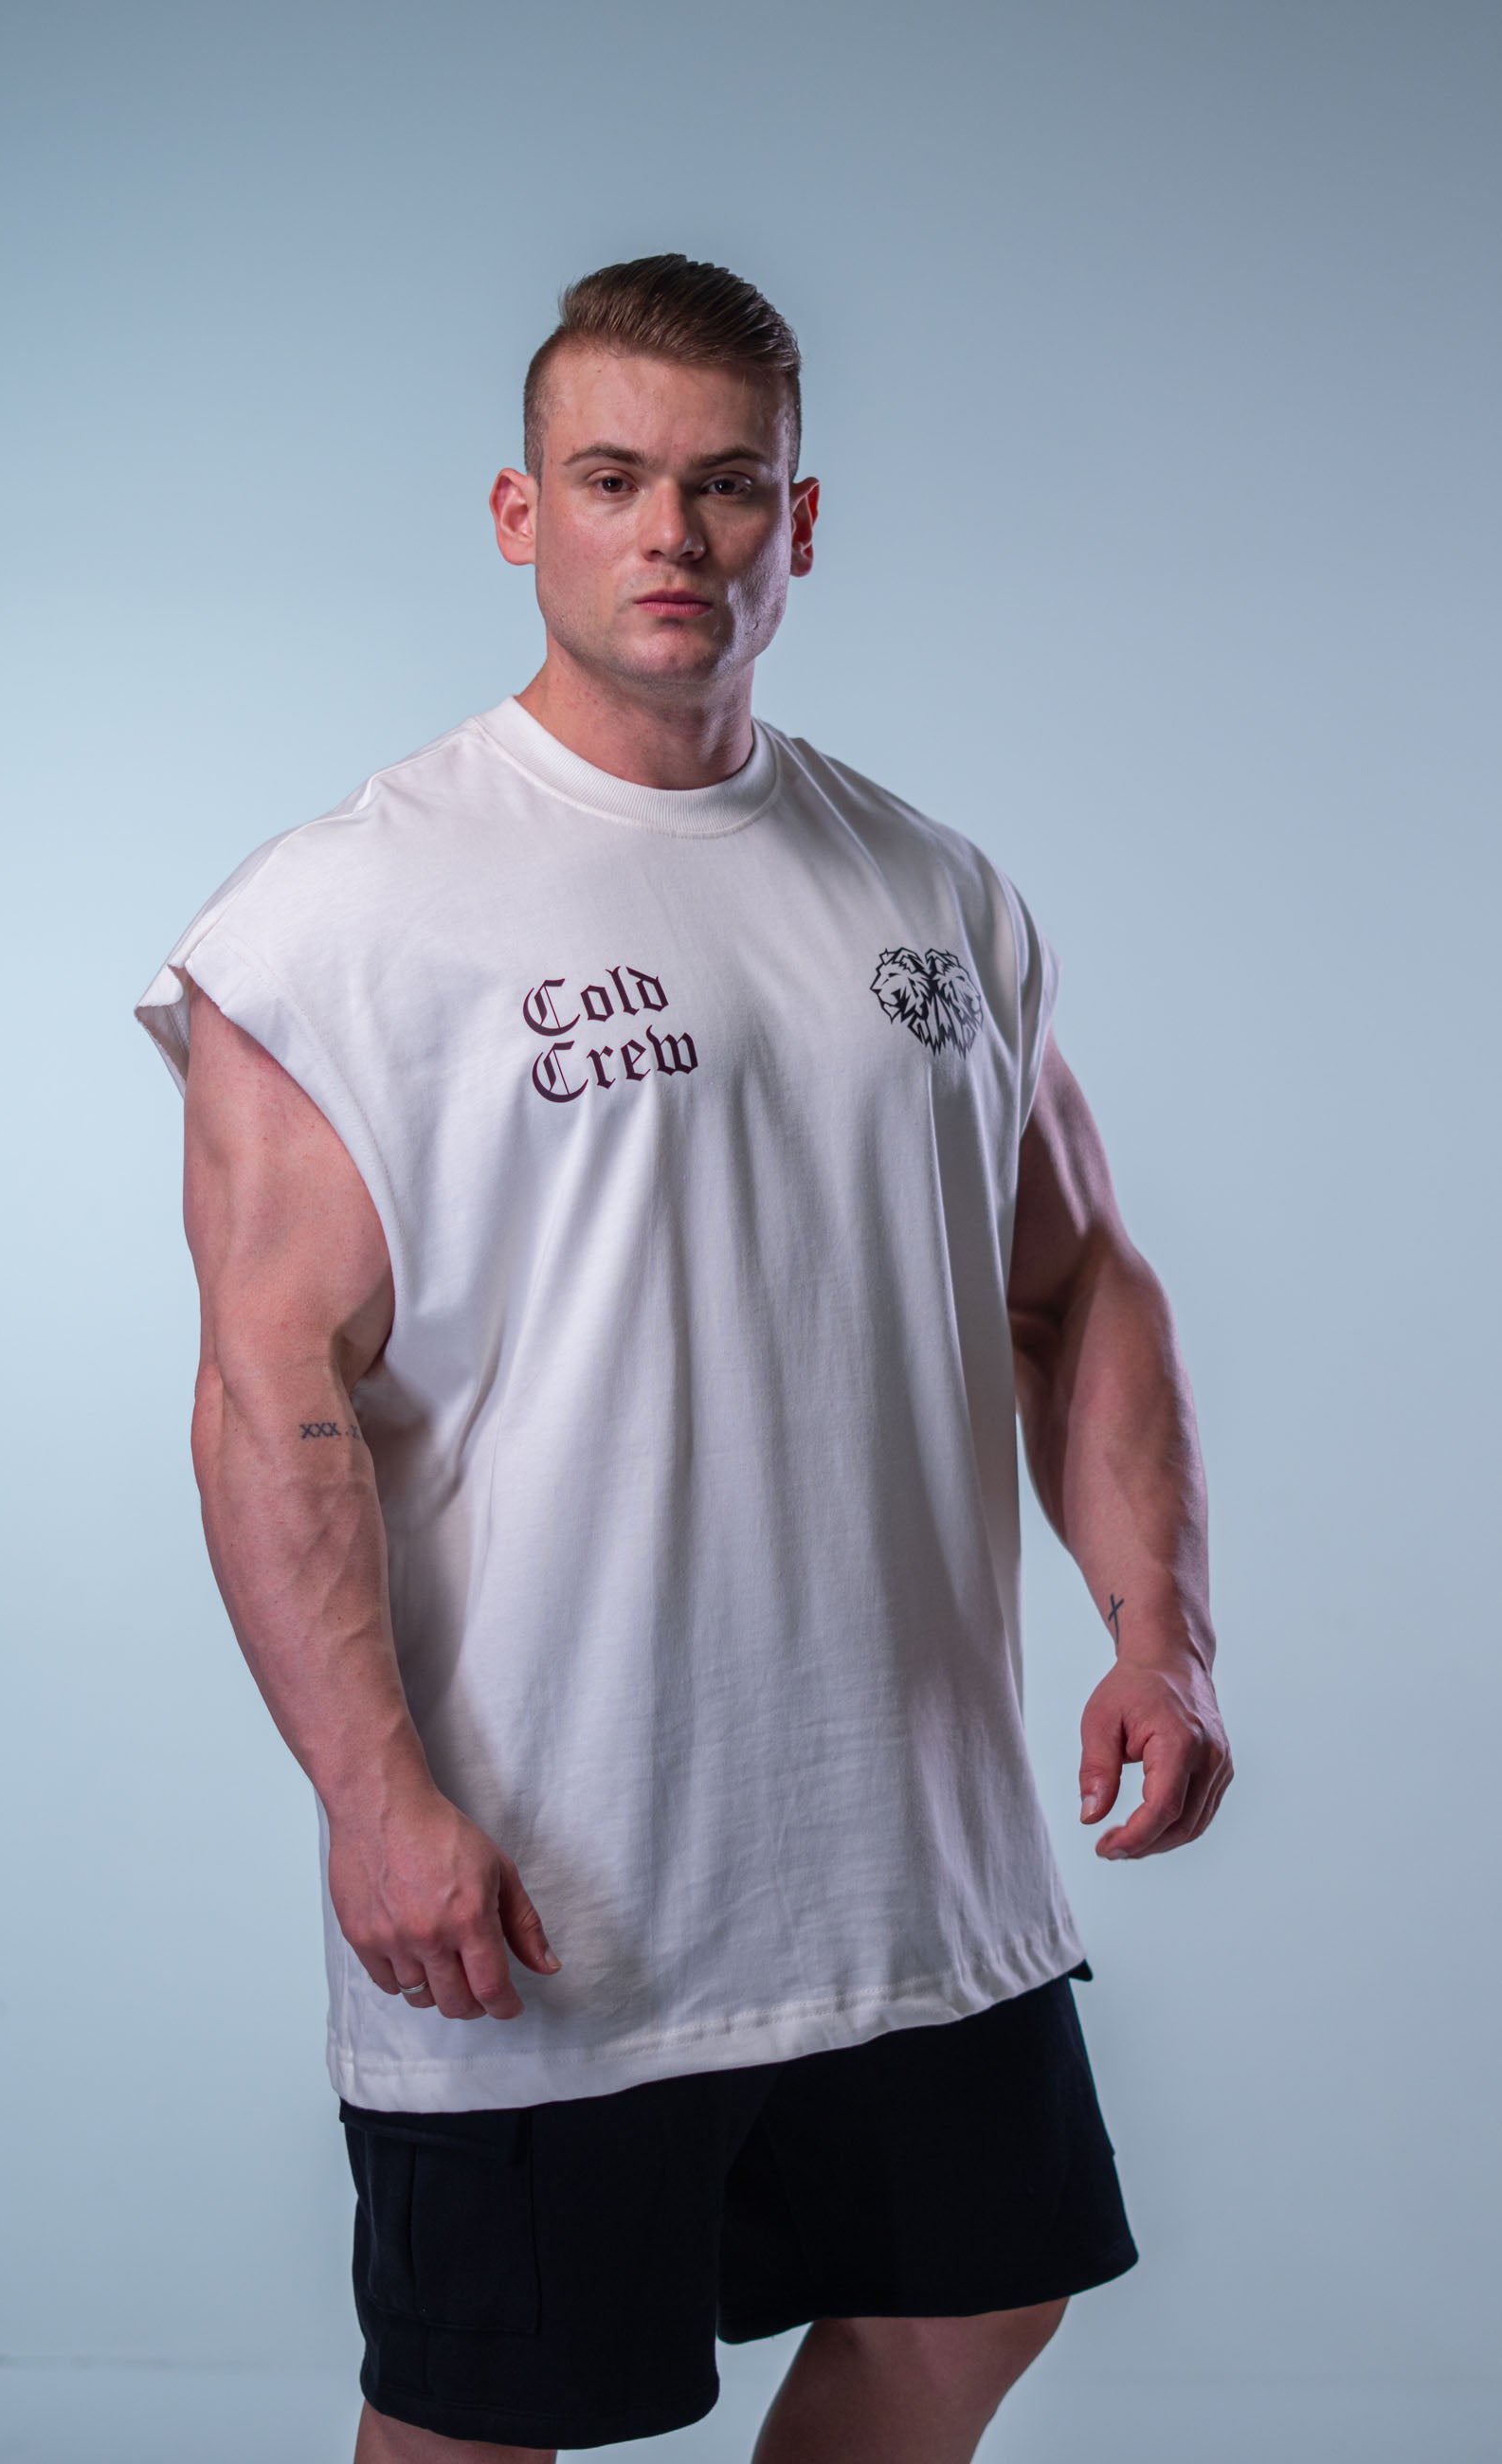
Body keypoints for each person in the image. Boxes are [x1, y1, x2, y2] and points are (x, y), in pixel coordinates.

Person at [135, 253, 1232, 2464]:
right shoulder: (344, 919)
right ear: (519, 513)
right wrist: (375, 1800)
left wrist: (1161, 1628)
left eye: (728, 485)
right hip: (556, 1861)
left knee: (971, 2299)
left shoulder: (932, 889)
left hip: (908, 1848)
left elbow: (1079, 1278)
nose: (676, 533)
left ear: (796, 522)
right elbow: (274, 1393)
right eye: (613, 478)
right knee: (483, 2418)